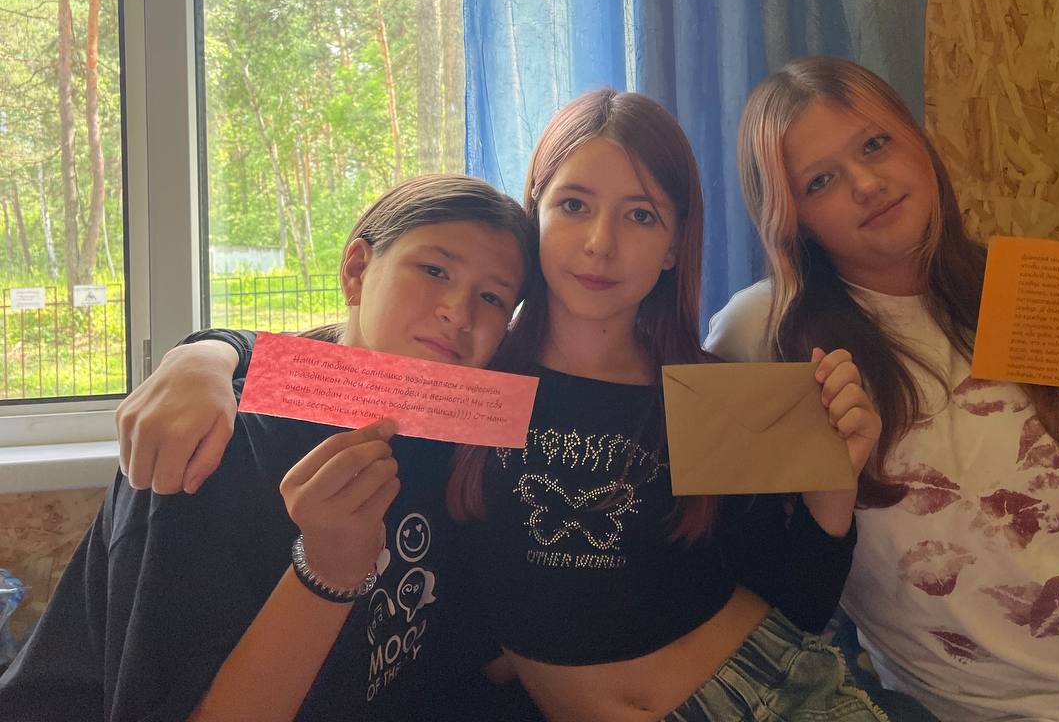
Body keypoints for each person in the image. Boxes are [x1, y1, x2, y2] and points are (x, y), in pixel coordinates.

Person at [101, 90, 930, 722]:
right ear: (535, 212)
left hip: (772, 694)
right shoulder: (469, 382)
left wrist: (832, 491)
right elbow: (319, 363)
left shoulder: (705, 391)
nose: (601, 243)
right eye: (574, 205)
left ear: (674, 245)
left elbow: (798, 606)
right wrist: (204, 353)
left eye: (641, 215)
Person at [707, 55, 1059, 722]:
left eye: (875, 143)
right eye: (821, 180)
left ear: (917, 142)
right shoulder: (763, 335)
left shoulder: (1045, 291)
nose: (866, 183)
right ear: (792, 219)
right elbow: (747, 569)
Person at [0, 175, 544, 722]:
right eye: (434, 270)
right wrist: (326, 571)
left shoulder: (454, 450)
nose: (459, 312)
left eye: (493, 298)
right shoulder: (213, 443)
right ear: (357, 270)